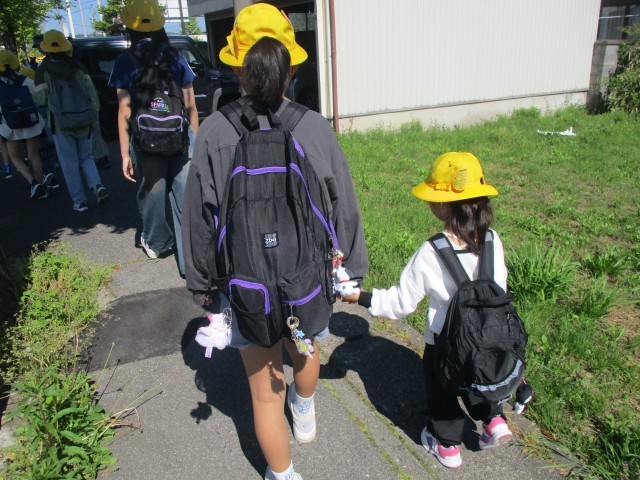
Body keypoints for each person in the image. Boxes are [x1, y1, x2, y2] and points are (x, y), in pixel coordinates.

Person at [182, 4, 368, 479]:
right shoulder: (313, 126)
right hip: (307, 273)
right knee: (305, 347)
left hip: (245, 280)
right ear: (291, 67)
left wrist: (202, 286)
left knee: (264, 393)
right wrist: (352, 268)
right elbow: (343, 203)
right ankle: (304, 409)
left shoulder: (215, 131)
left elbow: (199, 218)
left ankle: (282, 474)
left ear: (237, 67)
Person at [343, 152, 513, 469]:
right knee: (480, 376)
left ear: (443, 205)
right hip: (489, 338)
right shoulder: (492, 240)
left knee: (442, 391)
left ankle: (447, 446)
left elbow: (401, 303)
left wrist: (361, 297)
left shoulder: (433, 251)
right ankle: (493, 421)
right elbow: (498, 288)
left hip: (445, 344)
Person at [108, 0, 198, 273]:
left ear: (130, 28)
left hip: (146, 140)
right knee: (186, 200)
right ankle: (191, 265)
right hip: (181, 138)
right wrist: (195, 141)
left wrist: (124, 154)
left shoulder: (126, 61)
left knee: (153, 195)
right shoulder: (176, 57)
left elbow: (124, 110)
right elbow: (191, 105)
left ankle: (157, 243)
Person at [33, 30, 109, 212]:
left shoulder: (43, 70)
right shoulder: (78, 66)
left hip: (60, 123)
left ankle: (79, 201)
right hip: (84, 119)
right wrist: (94, 117)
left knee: (69, 163)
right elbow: (92, 95)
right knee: (86, 157)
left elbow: (40, 99)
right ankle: (97, 185)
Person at [0, 49, 52, 199]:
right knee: (34, 155)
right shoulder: (25, 80)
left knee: (15, 157)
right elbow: (40, 98)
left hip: (9, 125)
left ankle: (33, 183)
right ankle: (40, 184)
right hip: (30, 121)